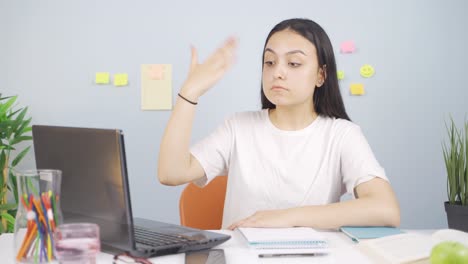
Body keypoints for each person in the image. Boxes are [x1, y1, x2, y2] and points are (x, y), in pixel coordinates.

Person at [158, 18, 400, 230]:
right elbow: (171, 173)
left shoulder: (342, 135)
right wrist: (190, 91)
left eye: (293, 63)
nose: (278, 73)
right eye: (270, 62)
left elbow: (385, 209)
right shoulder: (238, 127)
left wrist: (286, 217)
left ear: (321, 75)